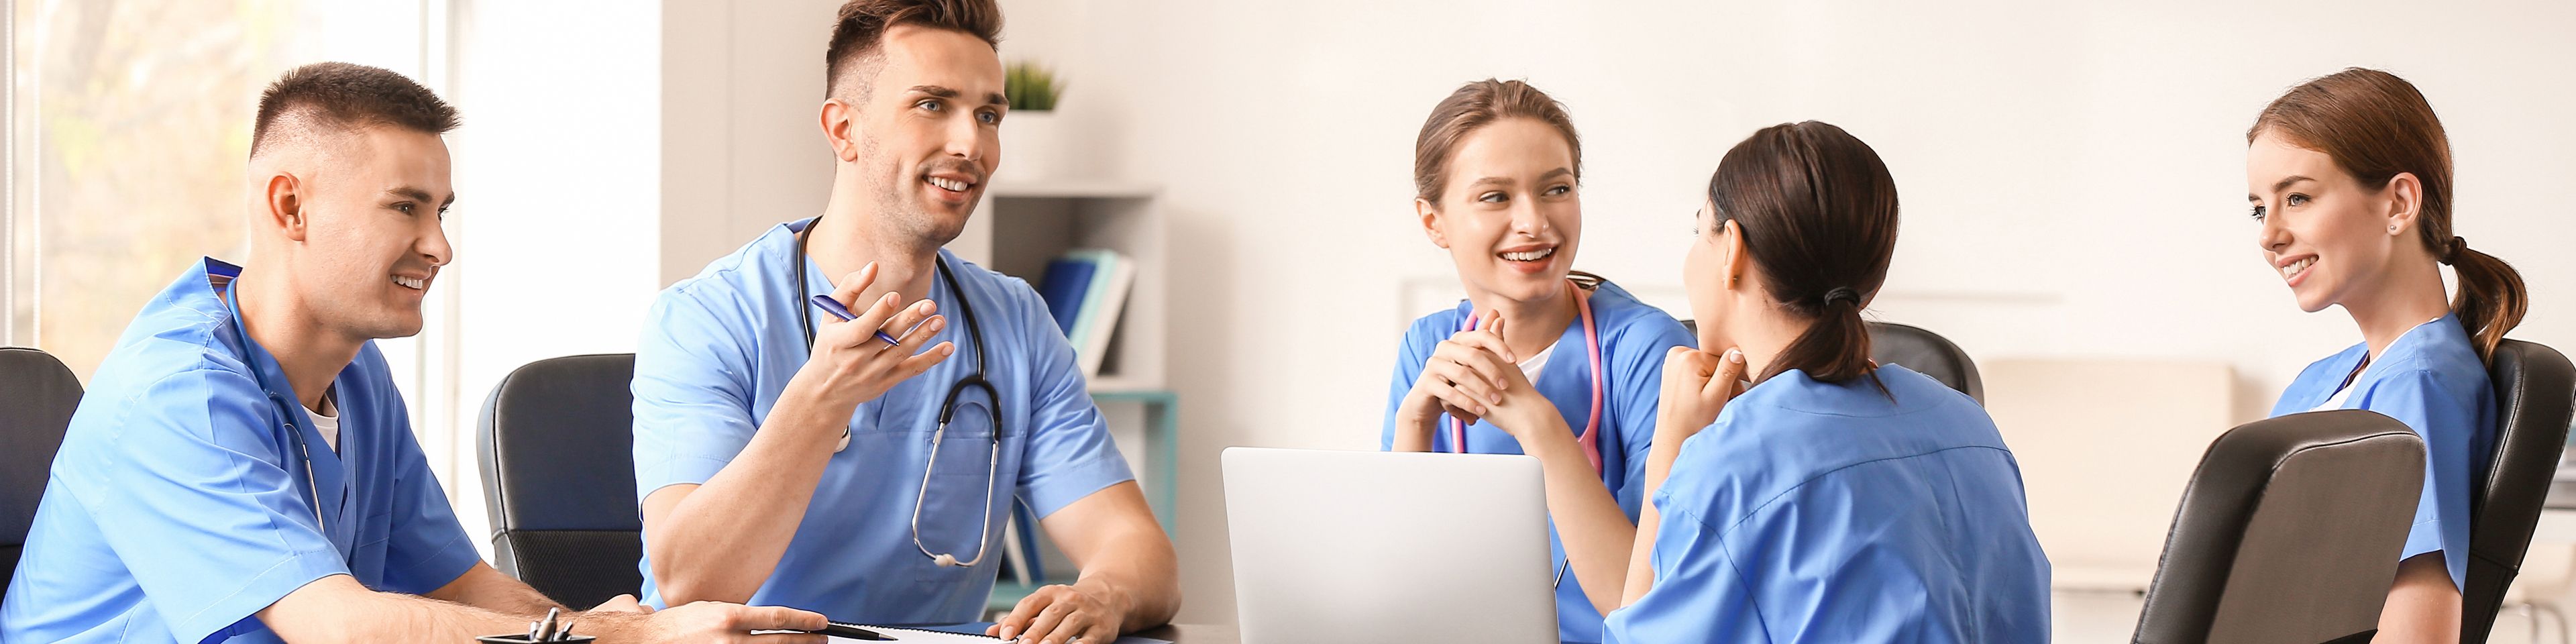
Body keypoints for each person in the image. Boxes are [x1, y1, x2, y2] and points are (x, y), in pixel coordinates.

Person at [0, 62, 820, 644]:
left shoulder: (355, 374)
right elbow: (341, 625)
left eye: (443, 212)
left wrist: (594, 627)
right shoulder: (177, 392)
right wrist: (616, 643)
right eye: (406, 208)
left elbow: (456, 585)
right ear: (291, 206)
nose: (439, 247)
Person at [629, 1, 1179, 642]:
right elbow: (691, 585)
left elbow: (1142, 554)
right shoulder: (706, 318)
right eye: (931, 105)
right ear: (843, 130)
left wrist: (1102, 594)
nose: (970, 143)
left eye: (988, 115)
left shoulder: (1015, 322)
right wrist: (819, 399)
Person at [1605, 121, 2051, 643]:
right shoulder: (1972, 427)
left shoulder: (1733, 461)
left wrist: (1671, 449)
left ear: (1732, 251)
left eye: (1698, 231)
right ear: (1874, 277)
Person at [1381, 78, 1692, 643]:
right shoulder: (1428, 348)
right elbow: (1398, 597)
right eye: (1496, 197)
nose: (1534, 222)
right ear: (1433, 222)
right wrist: (1415, 425)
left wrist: (1538, 425)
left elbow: (1651, 605)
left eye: (1556, 189)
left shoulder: (1651, 352)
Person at [2245, 68, 2527, 644]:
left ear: (2399, 201)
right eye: (2258, 209)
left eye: (2297, 197)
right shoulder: (2327, 380)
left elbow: (2418, 634)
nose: (2268, 235)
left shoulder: (2418, 388)